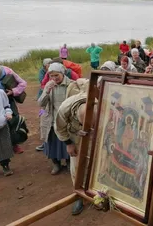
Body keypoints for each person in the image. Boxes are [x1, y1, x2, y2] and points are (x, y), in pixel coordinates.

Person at [55, 79, 90, 215]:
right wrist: (68, 144)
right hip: (74, 135)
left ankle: (98, 193)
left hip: (96, 135)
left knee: (98, 164)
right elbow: (59, 128)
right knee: (77, 166)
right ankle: (79, 196)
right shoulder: (66, 108)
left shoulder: (102, 102)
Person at [38, 63, 71, 175]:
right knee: (52, 143)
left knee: (67, 142)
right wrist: (46, 91)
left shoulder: (70, 85)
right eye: (51, 76)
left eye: (56, 75)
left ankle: (69, 162)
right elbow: (41, 104)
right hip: (50, 119)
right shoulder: (48, 86)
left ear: (62, 73)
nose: (54, 78)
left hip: (65, 120)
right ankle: (56, 164)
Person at [0, 64, 27, 154]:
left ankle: (15, 144)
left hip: (8, 99)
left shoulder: (8, 71)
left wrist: (13, 91)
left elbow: (23, 83)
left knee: (12, 121)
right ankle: (2, 146)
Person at [0, 86, 14, 176]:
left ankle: (5, 165)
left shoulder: (0, 92)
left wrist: (8, 113)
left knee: (4, 145)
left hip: (2, 124)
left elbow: (7, 106)